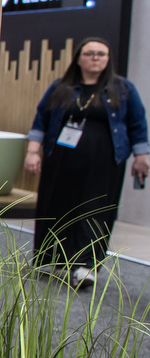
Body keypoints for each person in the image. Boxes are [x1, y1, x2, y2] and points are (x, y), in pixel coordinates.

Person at [24, 37, 149, 287]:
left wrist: (141, 156)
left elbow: (137, 123)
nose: (95, 58)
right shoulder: (61, 87)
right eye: (90, 53)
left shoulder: (123, 89)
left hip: (104, 164)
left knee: (95, 211)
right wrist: (33, 151)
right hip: (60, 162)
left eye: (101, 54)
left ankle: (85, 265)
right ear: (79, 58)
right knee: (58, 207)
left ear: (108, 59)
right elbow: (41, 120)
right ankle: (54, 257)